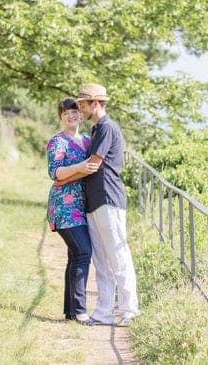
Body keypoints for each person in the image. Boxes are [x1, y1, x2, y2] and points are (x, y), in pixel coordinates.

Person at [76, 82, 140, 327]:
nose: (80, 109)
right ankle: (103, 311)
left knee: (118, 256)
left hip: (108, 199)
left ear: (95, 103)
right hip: (95, 200)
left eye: (83, 104)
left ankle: (129, 310)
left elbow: (93, 164)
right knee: (101, 260)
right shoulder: (96, 129)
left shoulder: (106, 127)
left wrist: (62, 175)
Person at [45, 97, 100, 323]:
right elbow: (55, 173)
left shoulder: (87, 141)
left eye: (74, 111)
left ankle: (70, 311)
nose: (71, 116)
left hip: (81, 205)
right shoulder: (57, 142)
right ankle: (79, 311)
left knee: (74, 255)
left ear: (80, 113)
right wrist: (79, 167)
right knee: (83, 253)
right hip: (64, 206)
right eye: (65, 113)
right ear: (60, 117)